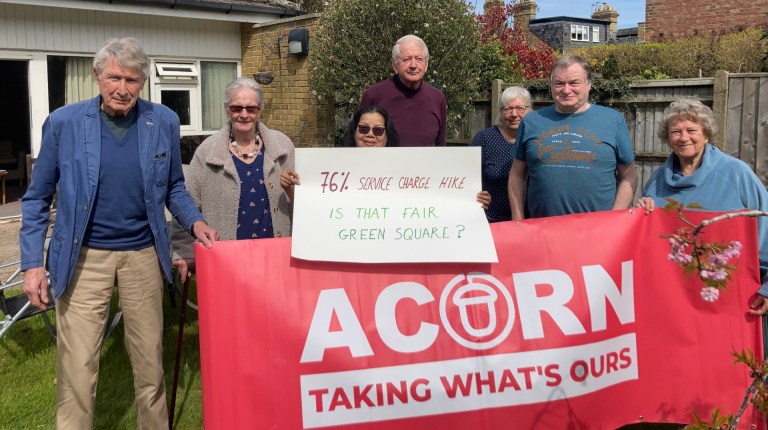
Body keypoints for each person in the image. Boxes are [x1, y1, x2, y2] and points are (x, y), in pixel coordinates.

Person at [19, 37, 219, 429]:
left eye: (132, 80)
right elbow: (37, 197)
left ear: (143, 82)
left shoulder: (162, 120)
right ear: (97, 76)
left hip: (144, 255)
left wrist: (195, 221)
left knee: (150, 364)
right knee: (78, 368)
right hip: (82, 258)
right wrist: (31, 265)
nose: (122, 89)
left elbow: (174, 187)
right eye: (114, 78)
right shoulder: (64, 123)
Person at [636, 98, 768, 315]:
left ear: (706, 134)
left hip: (730, 295)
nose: (683, 137)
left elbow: (765, 227)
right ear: (667, 138)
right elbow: (647, 242)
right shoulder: (656, 181)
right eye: (676, 131)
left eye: (691, 130)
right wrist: (642, 211)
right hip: (672, 299)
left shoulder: (736, 173)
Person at [172, 77, 295, 282]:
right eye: (237, 108)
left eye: (251, 108)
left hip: (277, 254)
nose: (244, 114)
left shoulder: (282, 146)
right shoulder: (207, 152)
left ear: (260, 110)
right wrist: (184, 251)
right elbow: (187, 202)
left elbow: (304, 199)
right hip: (227, 258)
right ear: (226, 110)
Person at [281, 106, 490, 209]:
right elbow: (314, 207)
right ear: (354, 132)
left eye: (378, 130)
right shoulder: (331, 170)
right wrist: (290, 187)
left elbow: (434, 199)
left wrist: (470, 199)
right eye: (363, 128)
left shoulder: (406, 171)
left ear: (387, 135)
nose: (370, 134)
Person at [508, 55, 637, 219]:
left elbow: (629, 175)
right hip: (543, 230)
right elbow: (517, 175)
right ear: (551, 87)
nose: (566, 90)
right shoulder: (531, 122)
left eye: (574, 82)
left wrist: (615, 217)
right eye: (559, 83)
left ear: (589, 84)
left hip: (598, 231)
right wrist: (517, 219)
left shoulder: (613, 120)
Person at [359, 34, 447, 147]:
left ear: (426, 65)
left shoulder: (437, 98)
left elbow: (440, 146)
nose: (413, 65)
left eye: (419, 59)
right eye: (407, 59)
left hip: (425, 164)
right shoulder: (374, 95)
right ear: (395, 65)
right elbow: (359, 143)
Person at [471, 86, 531, 222]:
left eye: (520, 108)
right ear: (500, 112)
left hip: (534, 220)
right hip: (492, 221)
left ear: (530, 110)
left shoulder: (537, 139)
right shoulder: (485, 139)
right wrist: (476, 195)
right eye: (508, 109)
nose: (514, 114)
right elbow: (465, 177)